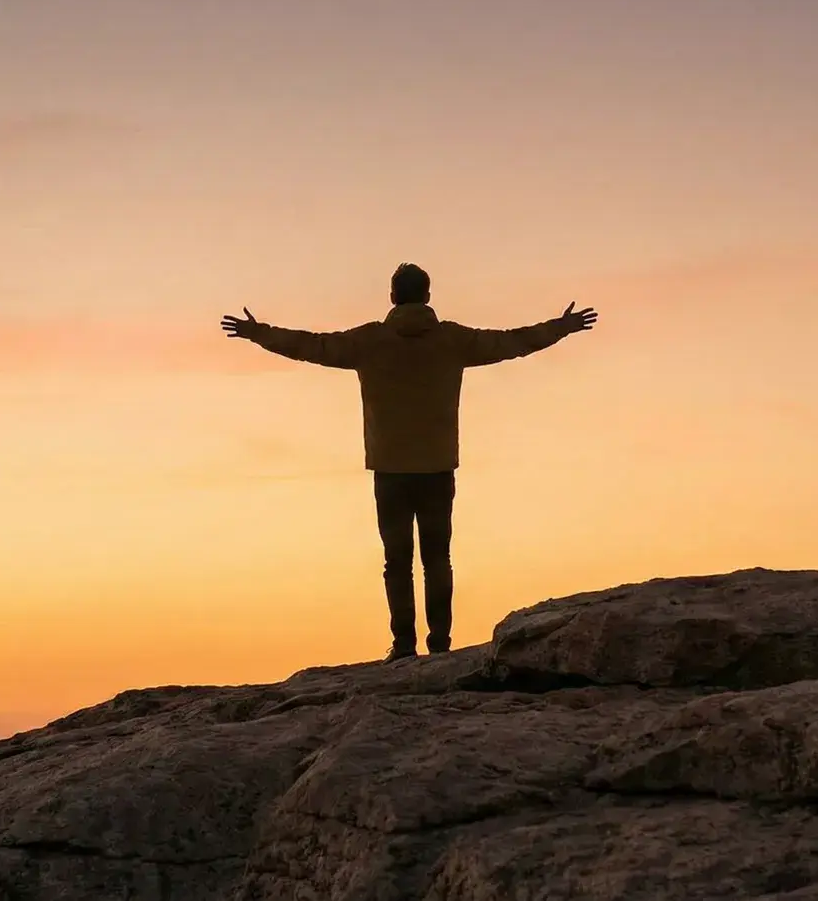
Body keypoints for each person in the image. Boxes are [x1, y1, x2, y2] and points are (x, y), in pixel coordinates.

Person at [221, 263, 599, 662]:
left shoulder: (370, 341)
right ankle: (440, 644)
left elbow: (311, 346)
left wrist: (258, 333)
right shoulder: (452, 340)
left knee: (397, 561)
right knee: (438, 558)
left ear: (392, 296)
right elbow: (511, 342)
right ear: (428, 296)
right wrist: (561, 327)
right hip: (437, 467)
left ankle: (404, 647)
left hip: (390, 469)